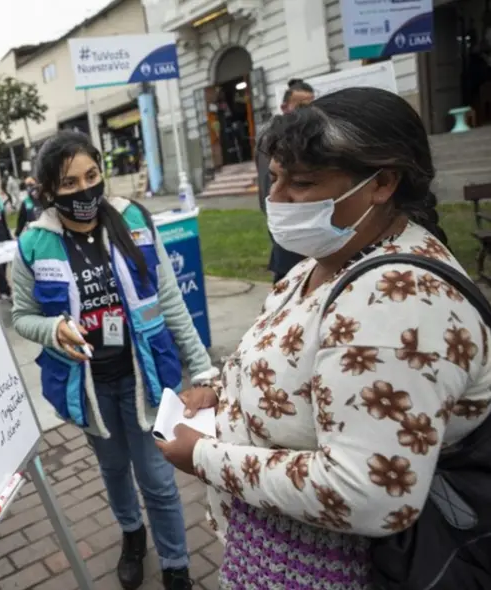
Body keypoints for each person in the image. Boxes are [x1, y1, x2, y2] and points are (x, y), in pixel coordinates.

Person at [156, 87, 491, 589]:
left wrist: (203, 456)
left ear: (383, 183)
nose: (276, 200)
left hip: (341, 568)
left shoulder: (399, 306)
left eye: (303, 183)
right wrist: (223, 389)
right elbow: (288, 356)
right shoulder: (327, 260)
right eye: (274, 178)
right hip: (275, 548)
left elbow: (369, 493)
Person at [11, 130, 218, 590]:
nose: (84, 190)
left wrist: (202, 367)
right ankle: (132, 535)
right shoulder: (32, 244)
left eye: (91, 175)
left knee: (158, 478)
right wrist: (51, 329)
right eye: (69, 184)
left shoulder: (134, 220)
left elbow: (169, 299)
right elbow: (21, 315)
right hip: (87, 387)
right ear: (47, 191)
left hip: (145, 377)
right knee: (113, 471)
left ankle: (176, 564)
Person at [257, 78, 315, 283]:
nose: (307, 112)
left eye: (311, 106)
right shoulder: (272, 139)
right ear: (284, 107)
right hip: (290, 248)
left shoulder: (310, 140)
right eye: (300, 106)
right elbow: (269, 192)